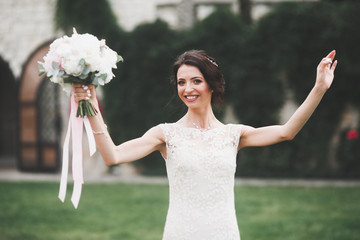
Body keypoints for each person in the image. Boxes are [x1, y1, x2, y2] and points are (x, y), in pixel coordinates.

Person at [73, 49, 337, 240]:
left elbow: (286, 132)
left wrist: (319, 88)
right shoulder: (165, 134)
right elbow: (113, 156)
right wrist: (92, 106)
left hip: (223, 233)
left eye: (196, 80)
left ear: (212, 84)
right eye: (181, 82)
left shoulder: (233, 134)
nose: (188, 88)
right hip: (180, 233)